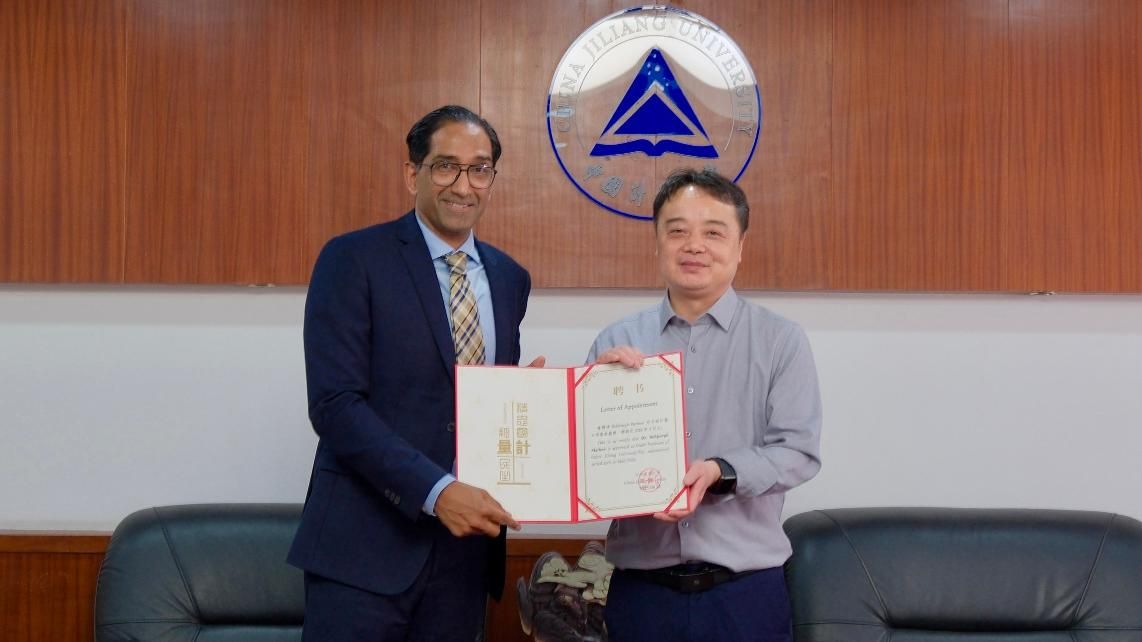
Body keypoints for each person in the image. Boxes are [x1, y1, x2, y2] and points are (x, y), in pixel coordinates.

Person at [289, 105, 542, 641]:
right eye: (446, 166)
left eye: (480, 169)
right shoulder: (353, 259)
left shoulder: (508, 278)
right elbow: (335, 405)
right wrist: (436, 491)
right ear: (413, 174)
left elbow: (481, 405)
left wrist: (538, 399)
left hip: (464, 559)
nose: (464, 185)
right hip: (363, 552)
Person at [588, 169, 822, 642]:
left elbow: (798, 452)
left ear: (740, 247)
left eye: (713, 233)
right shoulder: (617, 341)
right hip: (641, 594)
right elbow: (585, 466)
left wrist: (721, 472)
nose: (694, 245)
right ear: (657, 243)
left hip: (745, 596)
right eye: (677, 231)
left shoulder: (780, 341)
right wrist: (593, 394)